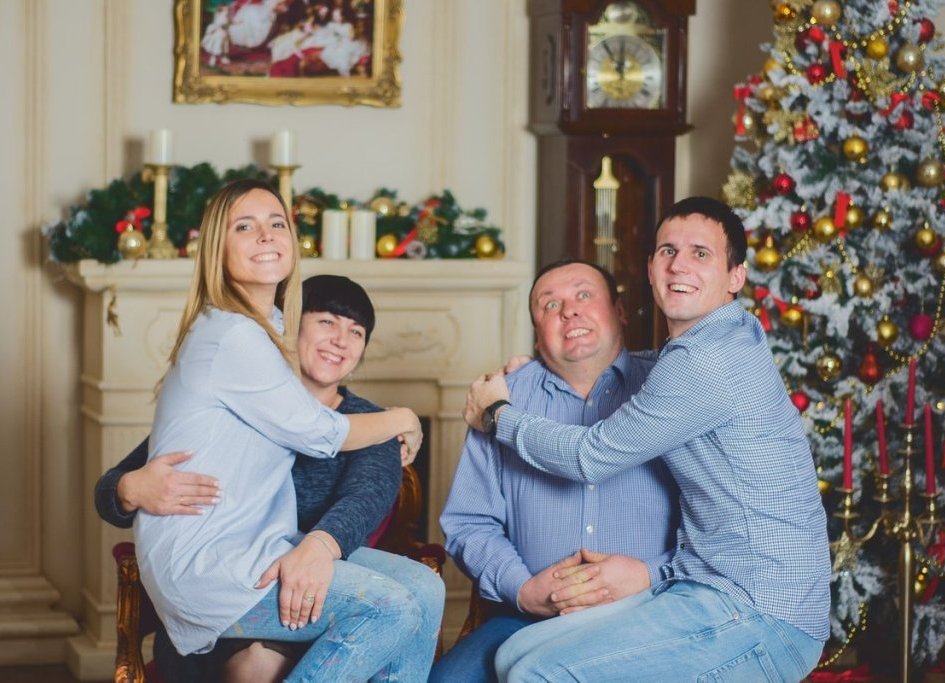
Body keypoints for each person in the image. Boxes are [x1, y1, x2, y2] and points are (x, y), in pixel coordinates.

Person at [464, 196, 831, 682]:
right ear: (651, 268)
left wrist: (497, 415)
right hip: (703, 585)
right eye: (667, 251)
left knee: (538, 673)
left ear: (735, 276)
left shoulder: (704, 360)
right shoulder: (723, 337)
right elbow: (666, 381)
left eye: (701, 253)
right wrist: (542, 370)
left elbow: (591, 455)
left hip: (761, 608)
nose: (679, 265)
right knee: (512, 654)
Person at [133, 178, 435, 682]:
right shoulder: (233, 333)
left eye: (277, 224)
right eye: (244, 227)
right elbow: (320, 433)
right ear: (217, 247)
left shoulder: (270, 328)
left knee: (425, 590)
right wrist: (404, 419)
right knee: (392, 608)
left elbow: (362, 488)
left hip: (258, 544)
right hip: (209, 562)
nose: (266, 236)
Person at [430, 260, 679, 682]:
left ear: (619, 310)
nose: (569, 311)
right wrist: (523, 589)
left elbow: (714, 520)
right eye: (550, 304)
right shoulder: (500, 401)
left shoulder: (670, 388)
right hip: (526, 618)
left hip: (654, 609)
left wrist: (651, 575)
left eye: (584, 295)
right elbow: (468, 523)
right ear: (536, 332)